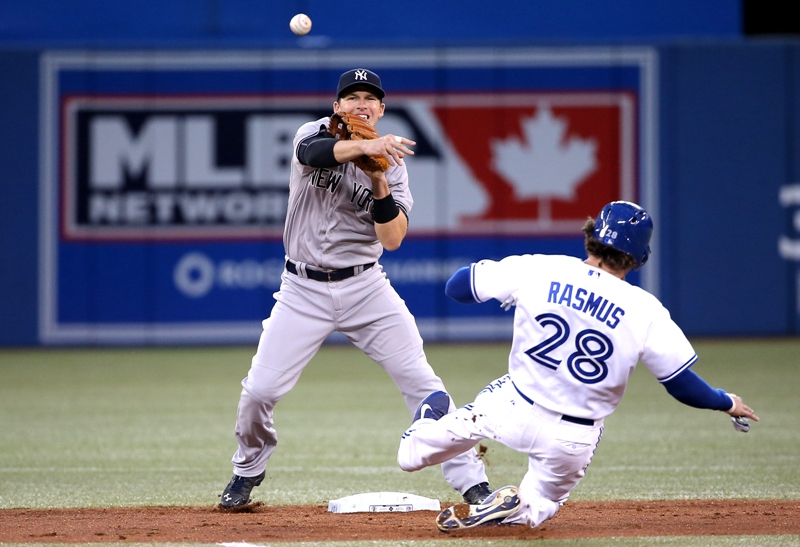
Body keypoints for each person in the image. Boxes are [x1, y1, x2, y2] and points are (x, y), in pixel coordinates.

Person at [397, 200, 760, 531]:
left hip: (509, 408)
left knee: (410, 455)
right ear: (639, 257)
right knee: (537, 508)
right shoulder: (646, 309)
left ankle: (430, 426)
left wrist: (504, 280)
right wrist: (725, 401)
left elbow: (457, 287)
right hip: (572, 437)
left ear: (590, 237)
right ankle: (515, 507)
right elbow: (681, 384)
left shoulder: (542, 268)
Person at [219, 68, 490, 509]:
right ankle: (248, 468)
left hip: (366, 288)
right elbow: (315, 153)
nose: (361, 103)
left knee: (424, 384)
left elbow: (393, 239)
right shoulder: (314, 133)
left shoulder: (393, 167)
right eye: (352, 97)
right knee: (259, 392)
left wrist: (380, 177)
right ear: (337, 107)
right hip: (301, 290)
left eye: (370, 98)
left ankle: (472, 483)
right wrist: (366, 147)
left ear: (381, 110)